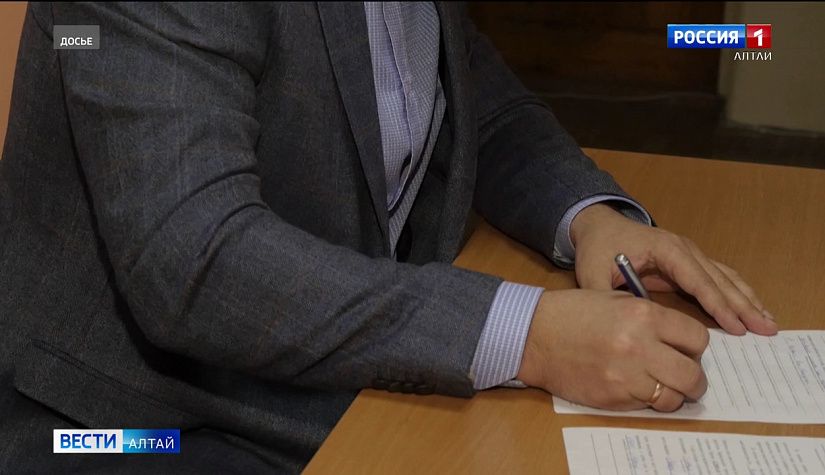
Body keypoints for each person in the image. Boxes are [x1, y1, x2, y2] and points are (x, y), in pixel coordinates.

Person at [0, 2, 778, 473]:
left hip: (327, 365)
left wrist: (588, 217)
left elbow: (475, 99)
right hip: (133, 424)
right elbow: (198, 262)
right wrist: (529, 335)